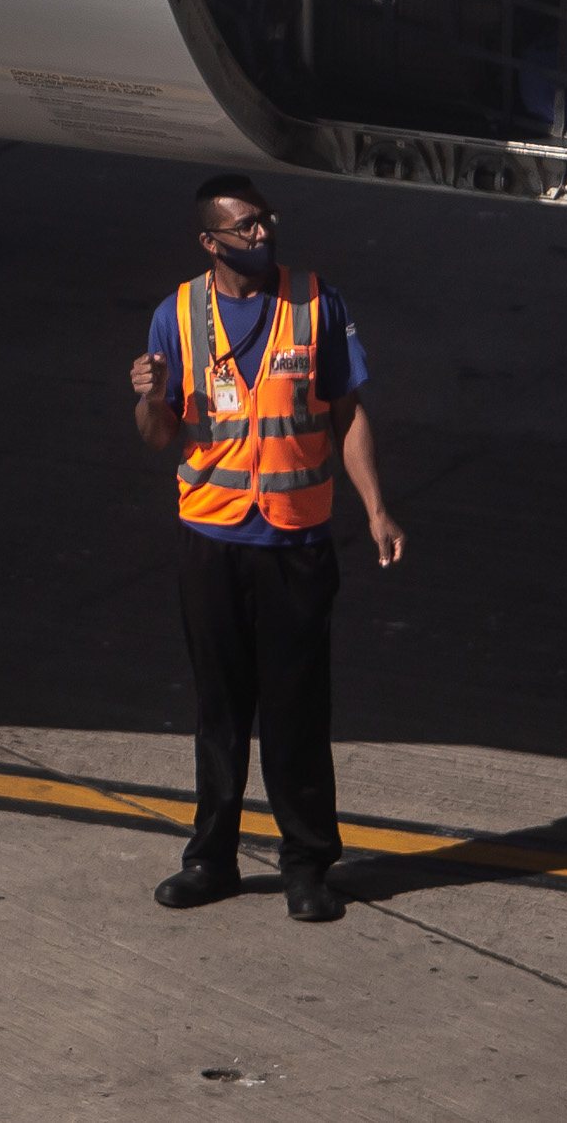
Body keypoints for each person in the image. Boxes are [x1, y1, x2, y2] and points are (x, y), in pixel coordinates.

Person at [125, 172, 405, 922]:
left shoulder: (317, 303)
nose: (261, 235)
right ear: (209, 241)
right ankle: (210, 859)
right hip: (211, 540)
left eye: (265, 221)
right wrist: (151, 395)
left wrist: (376, 508)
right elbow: (161, 435)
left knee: (296, 709)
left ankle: (308, 864)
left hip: (295, 540)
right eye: (243, 227)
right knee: (220, 710)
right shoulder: (176, 316)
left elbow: (348, 415)